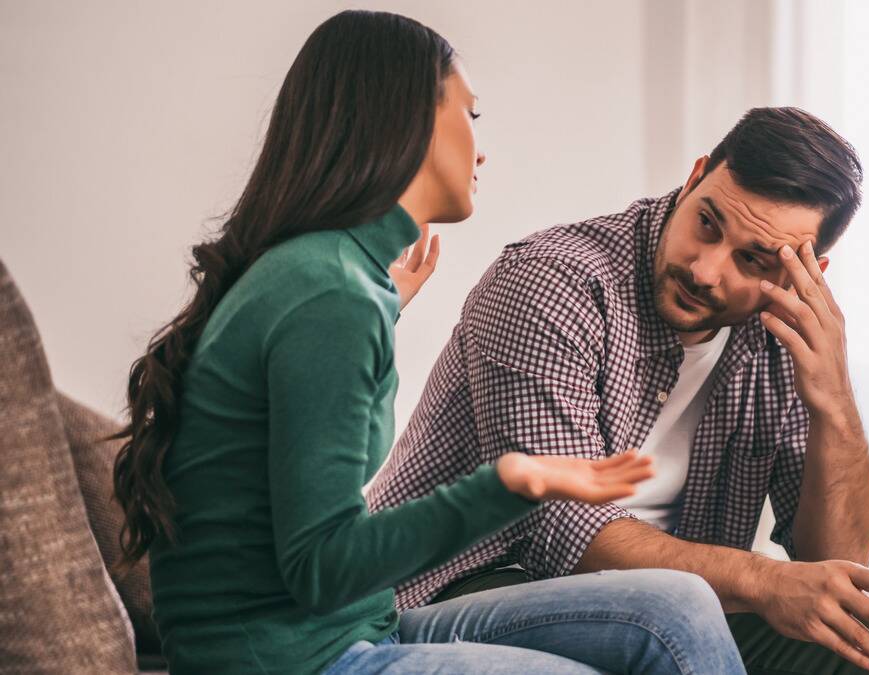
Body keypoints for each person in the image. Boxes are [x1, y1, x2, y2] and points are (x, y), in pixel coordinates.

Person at [111, 10, 745, 675]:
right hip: (281, 656)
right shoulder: (329, 294)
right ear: (408, 118)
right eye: (469, 116)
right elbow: (322, 567)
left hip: (350, 625)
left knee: (678, 606)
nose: (481, 147)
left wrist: (375, 318)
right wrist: (507, 482)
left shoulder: (333, 280)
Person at [367, 106, 869, 674]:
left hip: (662, 611)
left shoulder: (785, 335)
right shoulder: (553, 281)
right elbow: (560, 531)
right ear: (695, 177)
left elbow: (839, 560)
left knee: (867, 638)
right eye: (707, 222)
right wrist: (761, 579)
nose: (706, 269)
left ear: (807, 272)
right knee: (667, 611)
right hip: (456, 593)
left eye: (751, 259)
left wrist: (834, 399)